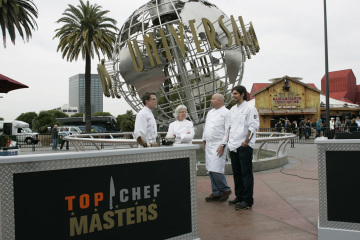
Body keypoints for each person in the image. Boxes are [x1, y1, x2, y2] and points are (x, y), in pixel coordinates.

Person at [227, 86, 259, 211]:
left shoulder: (250, 108)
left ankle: (247, 200)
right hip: (233, 145)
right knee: (237, 173)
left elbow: (253, 126)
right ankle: (239, 196)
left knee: (246, 174)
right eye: (233, 94)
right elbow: (230, 127)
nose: (233, 96)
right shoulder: (232, 109)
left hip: (244, 146)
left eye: (235, 94)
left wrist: (246, 141)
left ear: (242, 94)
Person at [202, 94, 232, 202]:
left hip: (218, 144)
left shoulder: (226, 112)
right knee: (210, 169)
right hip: (209, 144)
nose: (211, 100)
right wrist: (204, 140)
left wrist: (223, 144)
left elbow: (228, 130)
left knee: (216, 169)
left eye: (213, 99)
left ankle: (225, 189)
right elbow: (206, 127)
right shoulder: (210, 112)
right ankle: (216, 192)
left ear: (219, 100)